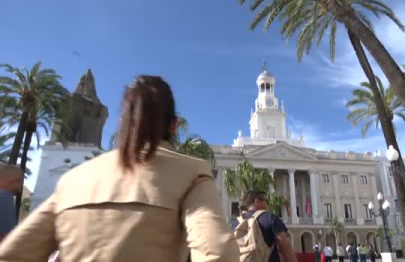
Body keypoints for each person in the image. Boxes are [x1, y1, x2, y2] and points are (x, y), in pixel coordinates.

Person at [0, 75, 240, 261]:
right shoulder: (192, 172)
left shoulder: (74, 179)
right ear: (174, 125)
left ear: (123, 122)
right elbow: (216, 252)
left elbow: (13, 253)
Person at [240, 190, 297, 262]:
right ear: (257, 201)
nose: (268, 204)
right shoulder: (270, 218)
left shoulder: (236, 223)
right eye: (266, 201)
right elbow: (287, 249)